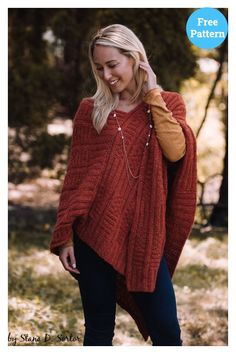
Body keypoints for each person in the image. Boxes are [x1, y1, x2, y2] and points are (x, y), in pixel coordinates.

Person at [49, 24, 197, 346]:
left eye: (112, 65)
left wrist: (153, 95)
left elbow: (176, 152)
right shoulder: (91, 110)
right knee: (99, 331)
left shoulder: (168, 103)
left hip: (145, 233)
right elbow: (76, 178)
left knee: (168, 333)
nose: (106, 75)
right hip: (93, 235)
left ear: (135, 59)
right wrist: (65, 238)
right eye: (99, 68)